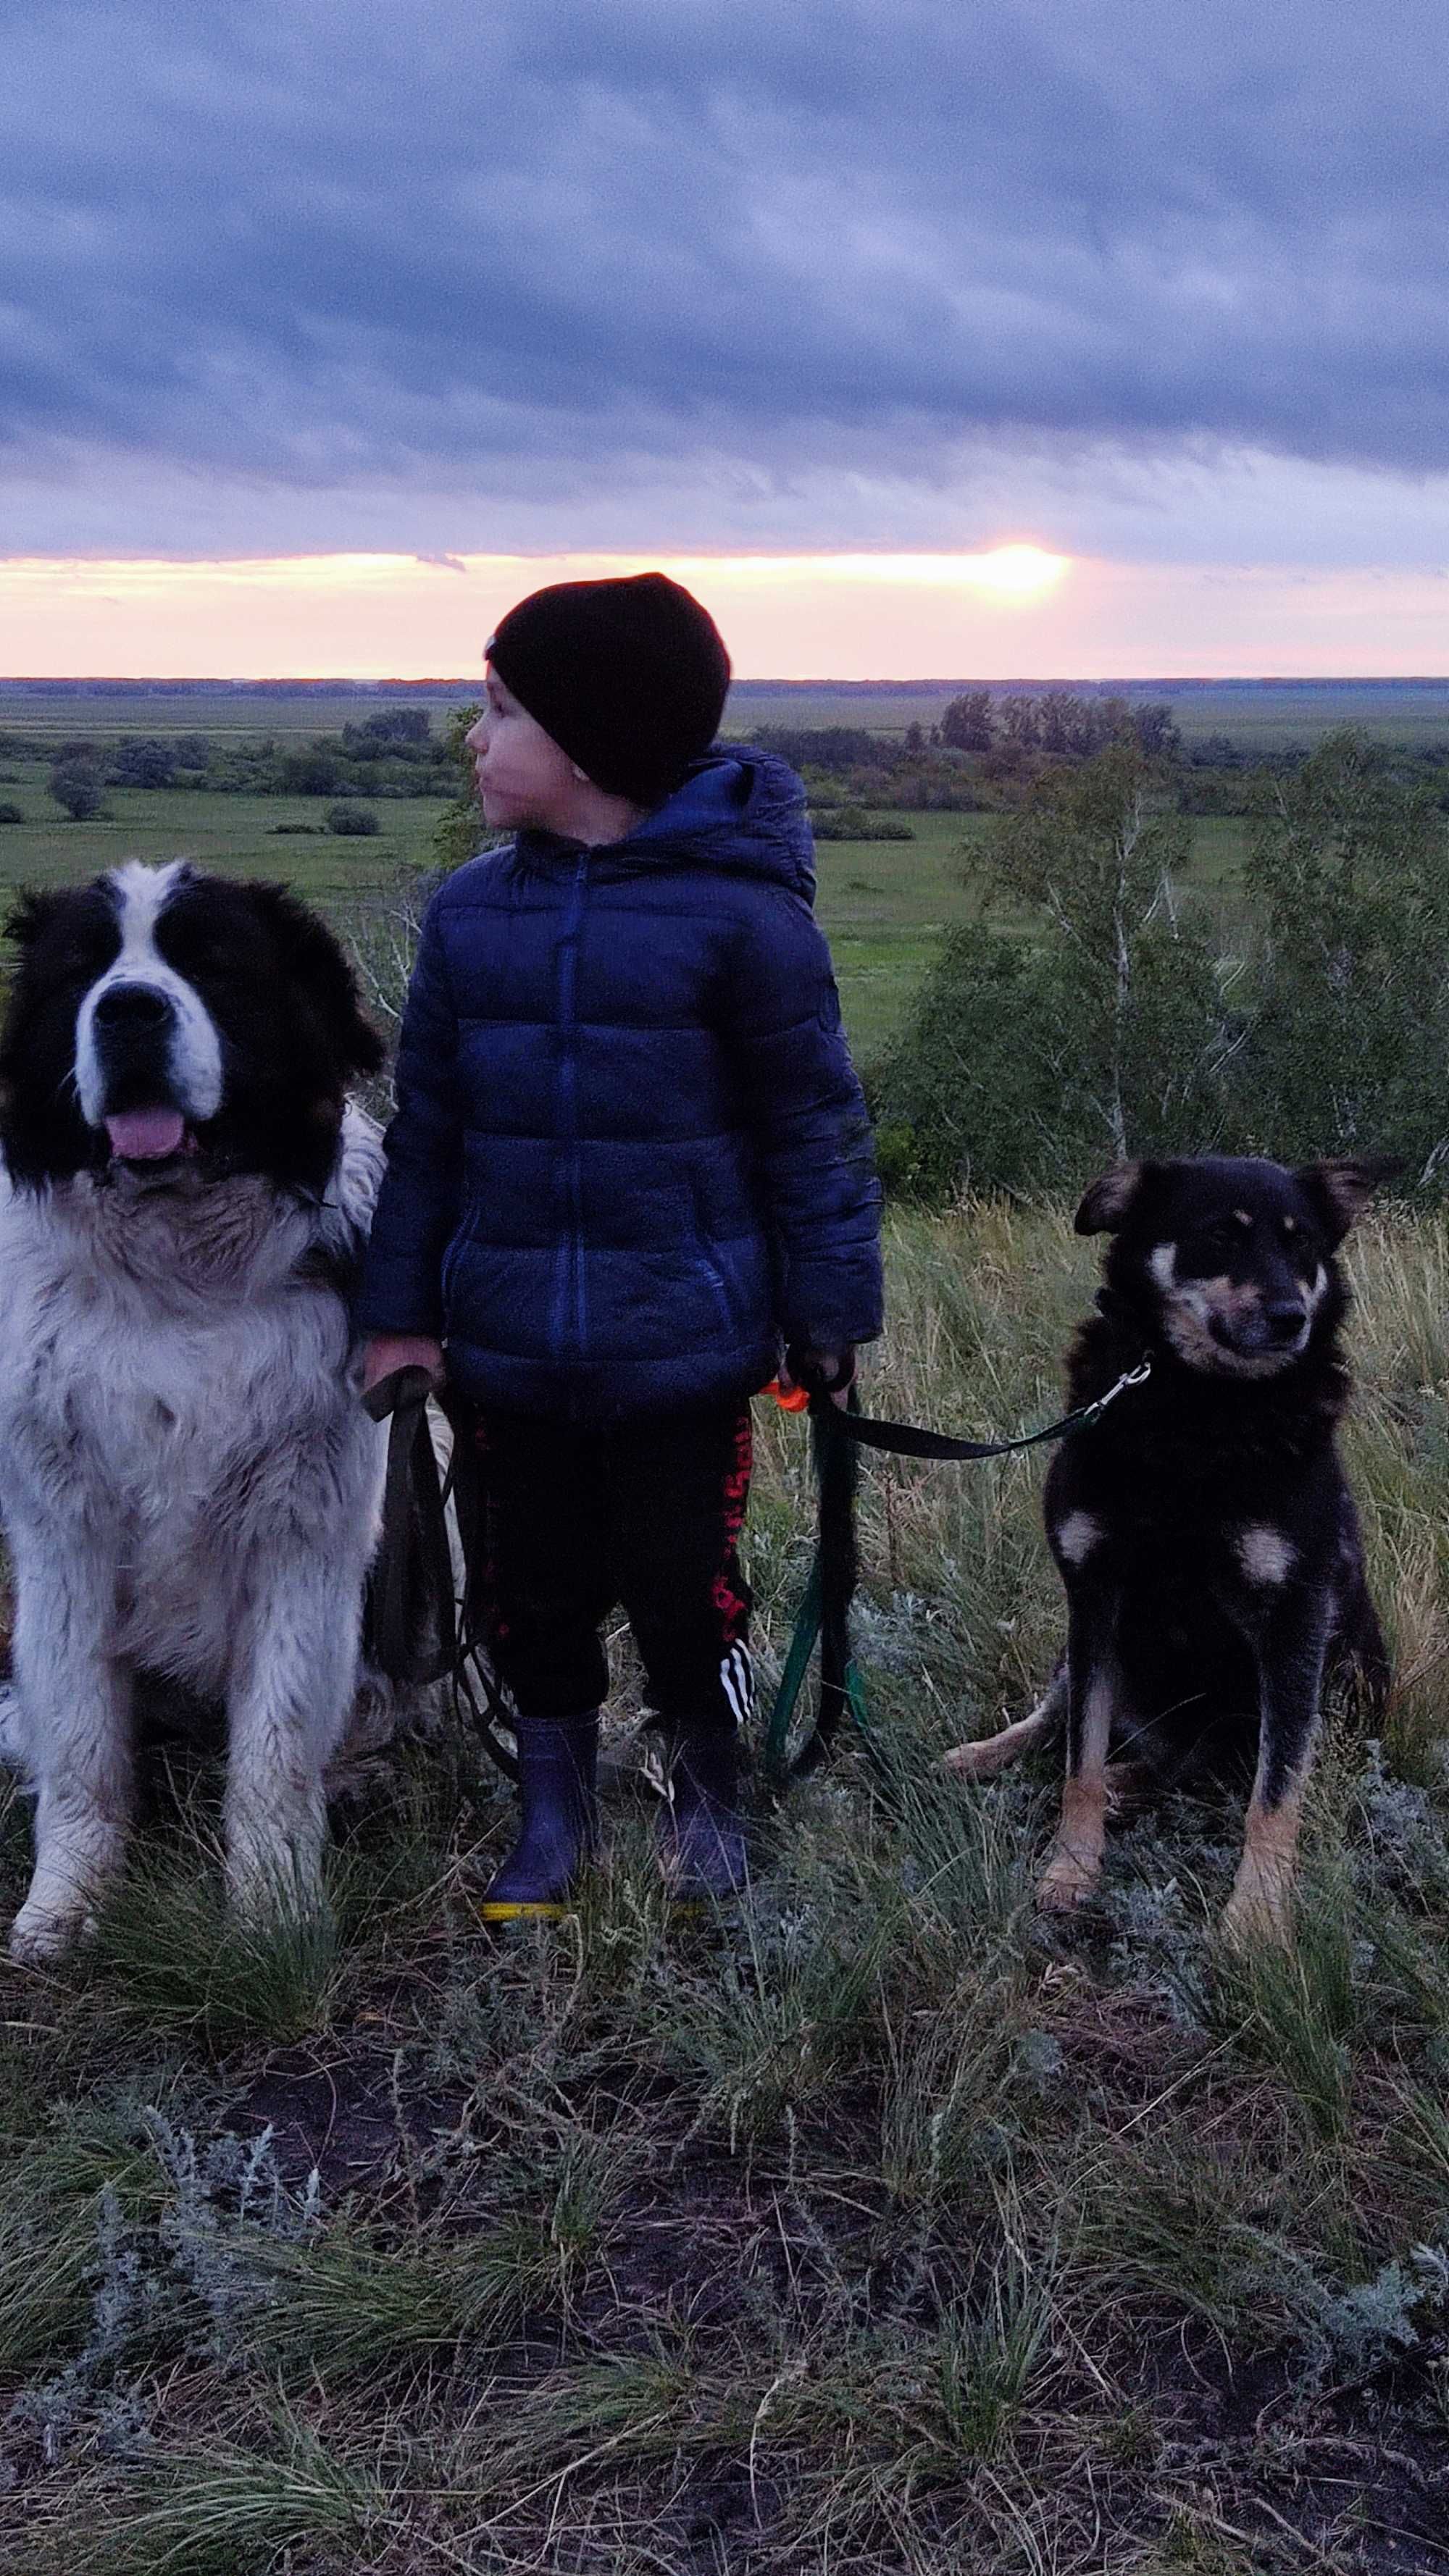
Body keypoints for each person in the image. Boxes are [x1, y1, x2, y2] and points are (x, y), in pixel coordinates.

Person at [357, 572, 883, 1918]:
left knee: (681, 1584)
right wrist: (400, 1312)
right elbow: (428, 1134)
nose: (473, 739)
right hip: (508, 1341)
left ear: (586, 742)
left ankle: (707, 1784)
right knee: (532, 1592)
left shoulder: (746, 924)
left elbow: (813, 1136)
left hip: (687, 1347)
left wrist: (829, 1319)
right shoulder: (472, 914)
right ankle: (554, 1808)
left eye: (499, 710)